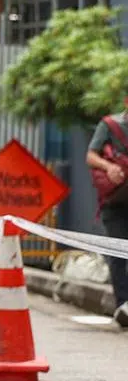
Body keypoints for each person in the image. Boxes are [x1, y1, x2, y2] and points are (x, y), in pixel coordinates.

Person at [85, 98, 128, 326]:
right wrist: (109, 167)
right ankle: (123, 307)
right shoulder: (110, 125)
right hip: (115, 202)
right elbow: (91, 156)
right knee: (118, 253)